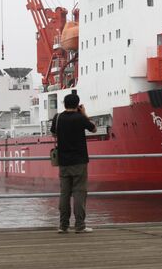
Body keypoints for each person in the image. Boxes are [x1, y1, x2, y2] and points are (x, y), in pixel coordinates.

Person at [50, 93, 97, 234]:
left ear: (64, 103)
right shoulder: (80, 118)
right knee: (79, 193)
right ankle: (80, 226)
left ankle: (63, 226)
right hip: (79, 161)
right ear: (77, 104)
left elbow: (53, 134)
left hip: (63, 162)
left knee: (64, 193)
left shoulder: (58, 118)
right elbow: (93, 129)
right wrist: (84, 114)